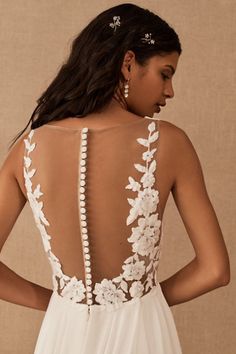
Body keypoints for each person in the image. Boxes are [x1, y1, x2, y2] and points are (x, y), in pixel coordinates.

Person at [0, 3, 230, 354]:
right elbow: (215, 269)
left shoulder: (28, 148)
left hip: (63, 333)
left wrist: (62, 304)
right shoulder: (168, 142)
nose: (170, 92)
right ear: (128, 64)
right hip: (143, 332)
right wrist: (140, 302)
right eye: (165, 74)